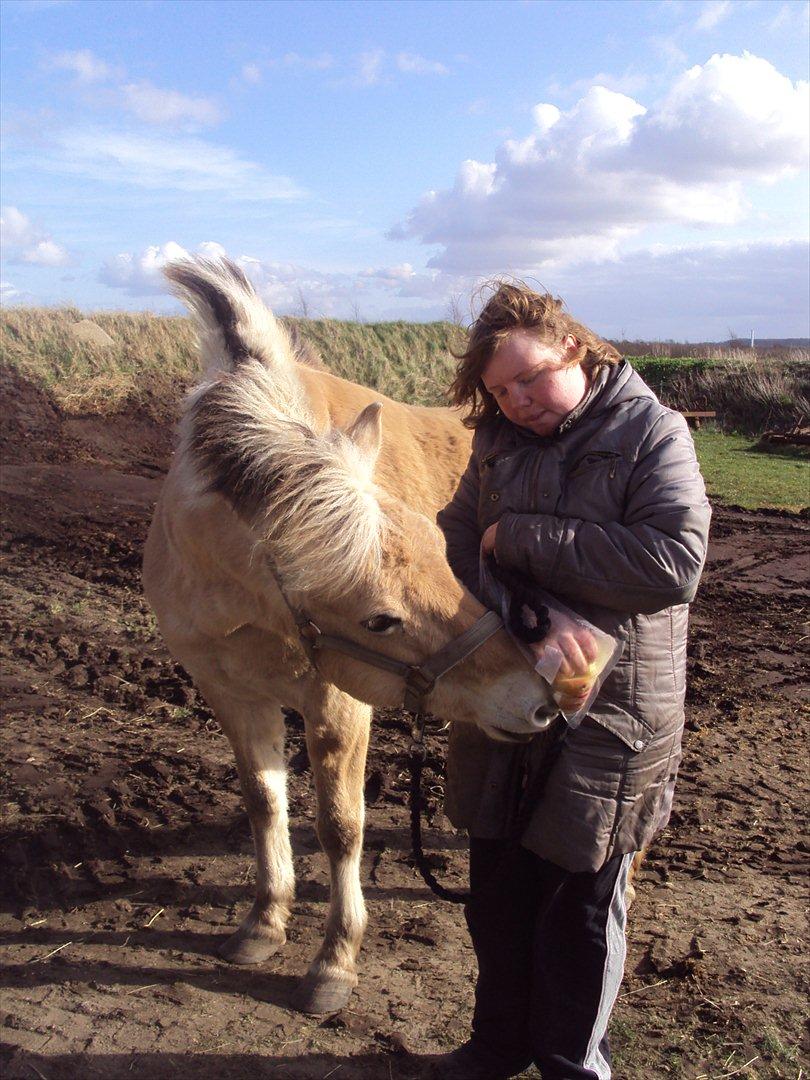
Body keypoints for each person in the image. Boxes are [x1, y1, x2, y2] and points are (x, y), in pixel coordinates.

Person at [431, 282, 712, 1080]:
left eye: (530, 378)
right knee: (497, 893)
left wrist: (520, 536)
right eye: (500, 391)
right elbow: (455, 543)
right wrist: (524, 616)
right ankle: (497, 1047)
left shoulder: (651, 432)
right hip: (505, 691)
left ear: (575, 350)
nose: (517, 401)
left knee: (577, 910)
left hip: (610, 712)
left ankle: (570, 1065)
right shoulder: (497, 443)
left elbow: (672, 564)